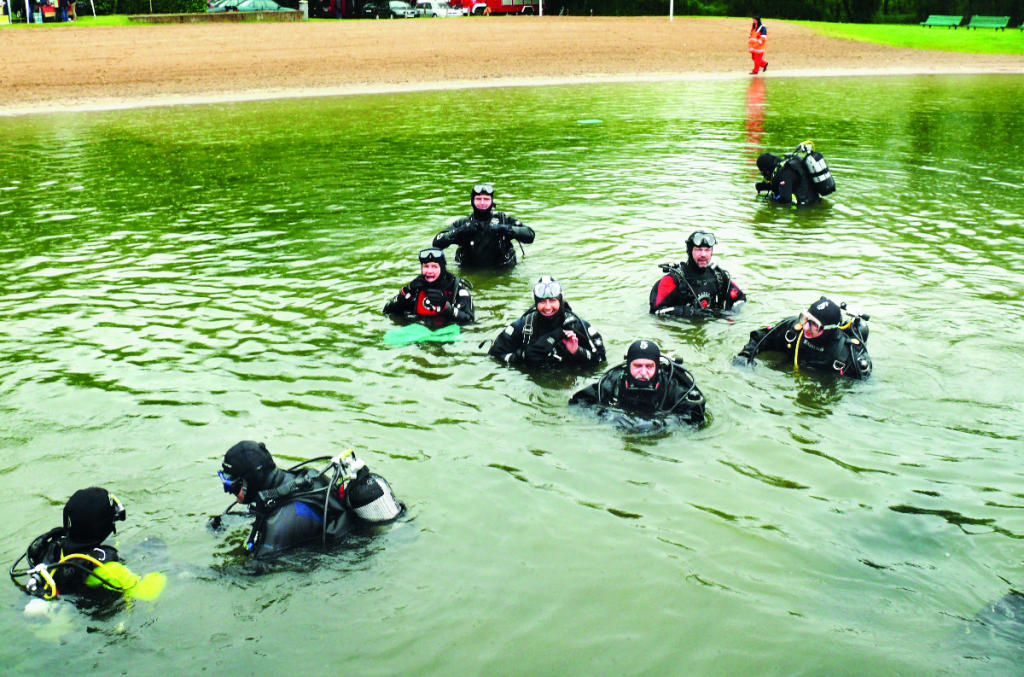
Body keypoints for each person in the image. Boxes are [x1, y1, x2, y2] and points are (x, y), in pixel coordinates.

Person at [214, 441, 404, 559]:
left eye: (233, 485)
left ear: (252, 480)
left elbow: (252, 572)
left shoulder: (280, 523)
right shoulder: (303, 476)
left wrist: (194, 573)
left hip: (351, 558)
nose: (228, 491)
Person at [10, 488, 165, 601]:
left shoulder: (53, 548)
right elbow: (147, 592)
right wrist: (161, 565)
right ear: (105, 526)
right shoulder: (107, 569)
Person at [570, 339, 706, 429]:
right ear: (628, 366)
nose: (643, 372)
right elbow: (577, 404)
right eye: (638, 365)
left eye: (649, 366)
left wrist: (661, 425)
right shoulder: (614, 381)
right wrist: (608, 416)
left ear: (657, 367)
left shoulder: (670, 385)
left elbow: (695, 418)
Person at [733, 296, 872, 379]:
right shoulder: (793, 330)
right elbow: (760, 337)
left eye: (814, 324)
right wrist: (746, 355)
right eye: (805, 318)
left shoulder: (846, 356)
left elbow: (861, 391)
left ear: (829, 329)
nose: (805, 327)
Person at [488, 275, 606, 368]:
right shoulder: (524, 325)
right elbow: (494, 355)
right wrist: (522, 357)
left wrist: (577, 351)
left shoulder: (577, 325)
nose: (548, 307)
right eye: (542, 302)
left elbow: (601, 360)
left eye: (552, 301)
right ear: (536, 302)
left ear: (560, 300)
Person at [432, 182, 534, 269]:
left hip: (502, 272)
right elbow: (437, 243)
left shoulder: (503, 220)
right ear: (472, 201)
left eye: (486, 199)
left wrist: (507, 229)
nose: (482, 203)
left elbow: (530, 235)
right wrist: (460, 231)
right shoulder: (463, 223)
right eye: (478, 199)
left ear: (492, 201)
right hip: (470, 270)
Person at [649, 229, 746, 317]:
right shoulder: (672, 280)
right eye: (698, 250)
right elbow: (655, 312)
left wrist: (730, 316)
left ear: (712, 252)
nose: (703, 254)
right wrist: (686, 312)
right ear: (689, 251)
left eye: (707, 250)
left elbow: (741, 298)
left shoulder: (718, 277)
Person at [383, 247, 474, 327]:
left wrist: (445, 307)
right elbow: (387, 311)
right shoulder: (416, 288)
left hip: (447, 333)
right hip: (418, 330)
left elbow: (469, 321)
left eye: (434, 267)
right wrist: (406, 293)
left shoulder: (456, 288)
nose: (429, 271)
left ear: (442, 268)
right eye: (426, 266)